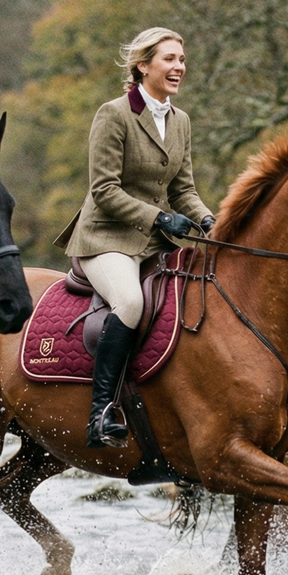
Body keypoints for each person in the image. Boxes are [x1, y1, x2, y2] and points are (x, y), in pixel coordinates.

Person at [54, 27, 215, 448]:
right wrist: (161, 218)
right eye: (169, 59)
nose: (179, 66)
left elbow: (183, 189)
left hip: (154, 240)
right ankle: (101, 412)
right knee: (130, 302)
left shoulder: (180, 121)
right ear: (143, 66)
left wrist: (210, 220)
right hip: (106, 237)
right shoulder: (114, 114)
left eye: (182, 59)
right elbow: (104, 191)